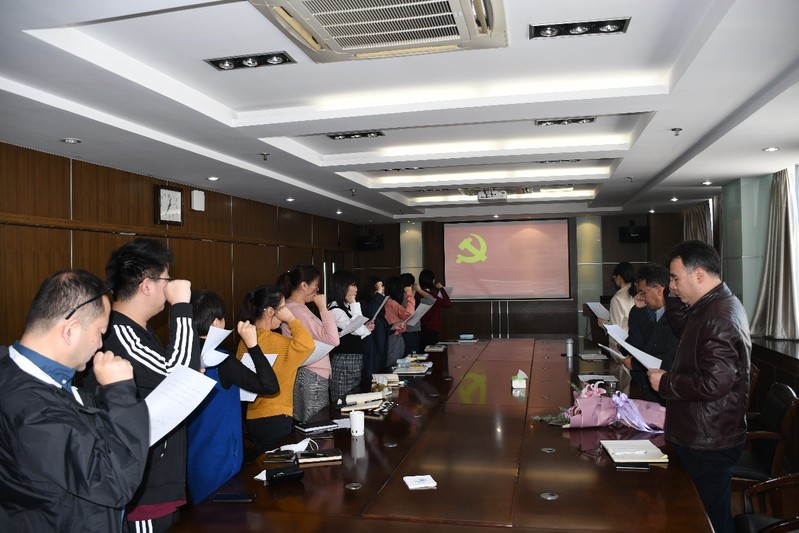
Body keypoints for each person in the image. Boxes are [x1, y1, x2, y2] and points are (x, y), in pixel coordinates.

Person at [0, 270, 149, 532]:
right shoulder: (30, 407)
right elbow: (114, 483)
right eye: (100, 332)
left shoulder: (31, 377)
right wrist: (120, 392)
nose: (100, 344)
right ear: (70, 330)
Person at [93, 237, 200, 532]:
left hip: (159, 480)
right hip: (143, 488)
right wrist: (181, 305)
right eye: (167, 279)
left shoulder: (139, 331)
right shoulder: (120, 333)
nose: (171, 286)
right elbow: (178, 376)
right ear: (147, 286)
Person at [647, 240, 751, 533]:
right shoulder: (710, 306)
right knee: (700, 513)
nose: (671, 286)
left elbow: (715, 382)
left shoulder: (719, 315)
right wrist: (672, 295)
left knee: (709, 518)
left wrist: (666, 381)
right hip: (702, 430)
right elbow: (686, 328)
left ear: (699, 275)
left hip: (708, 436)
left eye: (675, 279)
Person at [186, 290, 279, 504]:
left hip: (194, 456)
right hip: (222, 455)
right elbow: (270, 386)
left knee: (202, 514)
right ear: (216, 323)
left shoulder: (180, 356)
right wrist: (253, 344)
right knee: (227, 515)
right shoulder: (221, 360)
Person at [237, 286, 314, 452]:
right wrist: (291, 319)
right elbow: (308, 345)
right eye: (283, 308)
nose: (285, 312)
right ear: (270, 311)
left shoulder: (245, 340)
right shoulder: (278, 342)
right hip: (276, 415)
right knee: (280, 462)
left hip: (253, 416)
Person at [278, 265, 339, 422]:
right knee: (315, 424)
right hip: (311, 375)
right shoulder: (297, 311)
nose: (318, 289)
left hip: (311, 373)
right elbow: (333, 339)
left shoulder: (298, 308)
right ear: (304, 285)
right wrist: (323, 307)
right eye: (316, 284)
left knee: (314, 423)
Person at [619, 264, 678, 404]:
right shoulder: (645, 312)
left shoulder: (676, 316)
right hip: (644, 386)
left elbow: (664, 356)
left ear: (659, 289)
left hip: (666, 393)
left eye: (643, 292)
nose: (641, 298)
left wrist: (635, 364)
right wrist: (638, 312)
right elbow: (636, 345)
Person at [327, 271, 374, 401]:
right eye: (353, 285)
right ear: (343, 287)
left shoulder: (345, 307)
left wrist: (365, 328)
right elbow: (358, 330)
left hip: (353, 360)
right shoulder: (335, 310)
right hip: (344, 361)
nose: (356, 289)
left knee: (354, 400)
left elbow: (359, 330)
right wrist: (354, 303)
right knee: (342, 401)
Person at [357, 276, 388, 388]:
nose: (382, 289)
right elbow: (372, 313)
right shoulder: (363, 302)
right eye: (379, 287)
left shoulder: (377, 301)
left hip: (379, 345)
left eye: (382, 286)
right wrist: (378, 294)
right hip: (371, 346)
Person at [383, 276, 415, 369]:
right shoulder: (391, 302)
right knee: (393, 363)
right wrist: (409, 294)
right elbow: (409, 313)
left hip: (394, 336)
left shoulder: (387, 301)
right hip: (394, 336)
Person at [418, 269, 451, 348]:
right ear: (432, 281)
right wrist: (441, 288)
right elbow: (447, 303)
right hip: (431, 330)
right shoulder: (432, 296)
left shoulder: (417, 294)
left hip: (419, 329)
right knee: (431, 352)